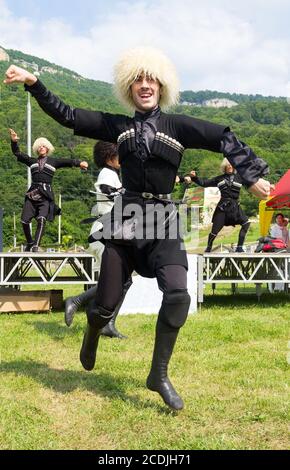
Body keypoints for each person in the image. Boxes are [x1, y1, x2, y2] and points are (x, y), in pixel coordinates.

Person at [4, 47, 271, 410]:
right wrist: (35, 83)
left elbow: (224, 135)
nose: (145, 85)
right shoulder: (118, 125)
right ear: (129, 88)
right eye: (137, 80)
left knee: (178, 294)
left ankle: (158, 374)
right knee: (104, 305)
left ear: (162, 86)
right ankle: (93, 328)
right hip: (126, 216)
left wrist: (251, 175)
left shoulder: (178, 127)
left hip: (163, 218)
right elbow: (67, 115)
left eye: (151, 79)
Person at [65, 141, 131, 339]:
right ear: (109, 157)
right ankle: (76, 301)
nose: (122, 159)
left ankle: (108, 324)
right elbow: (108, 193)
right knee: (116, 281)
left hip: (111, 233)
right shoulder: (107, 174)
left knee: (124, 281)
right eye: (118, 155)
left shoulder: (114, 174)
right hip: (104, 233)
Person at [9, 128, 88, 252]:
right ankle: (30, 242)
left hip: (46, 195)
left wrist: (80, 163)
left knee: (41, 219)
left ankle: (36, 245)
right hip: (32, 193)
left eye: (43, 146)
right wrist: (14, 142)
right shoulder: (32, 161)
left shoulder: (54, 161)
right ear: (36, 149)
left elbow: (68, 161)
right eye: (39, 146)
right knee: (24, 220)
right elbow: (18, 153)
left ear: (48, 148)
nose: (41, 147)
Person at [180, 158, 251, 252]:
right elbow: (204, 183)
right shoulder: (219, 178)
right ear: (224, 167)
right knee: (214, 231)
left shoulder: (240, 178)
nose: (229, 166)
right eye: (227, 165)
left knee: (246, 223)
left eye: (231, 165)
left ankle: (239, 247)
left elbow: (253, 182)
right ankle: (208, 248)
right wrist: (194, 177)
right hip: (223, 207)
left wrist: (268, 185)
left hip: (235, 208)